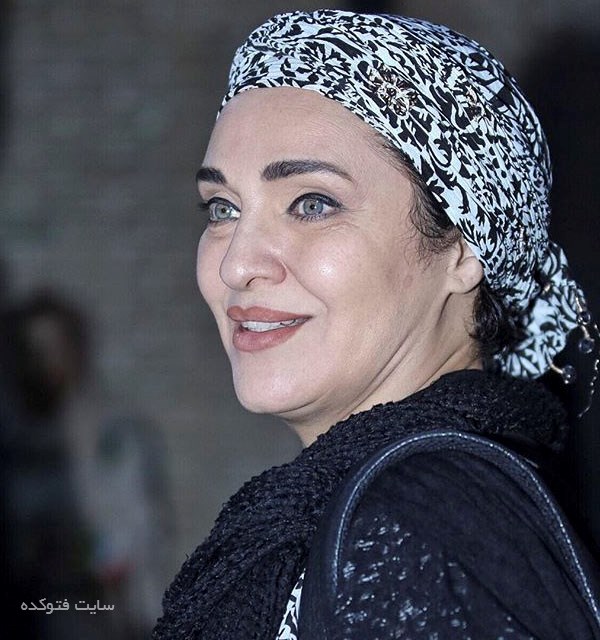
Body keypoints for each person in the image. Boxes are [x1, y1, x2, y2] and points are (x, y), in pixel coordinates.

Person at [152, 10, 600, 639]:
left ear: (463, 248)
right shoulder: (400, 507)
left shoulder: (423, 526)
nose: (236, 265)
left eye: (312, 204)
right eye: (223, 208)